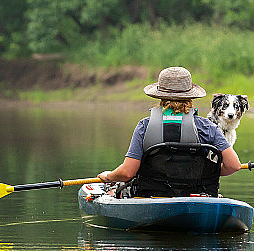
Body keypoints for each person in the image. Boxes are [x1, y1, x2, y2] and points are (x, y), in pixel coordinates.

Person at [98, 66, 243, 197]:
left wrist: (109, 176)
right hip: (195, 195)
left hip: (152, 195)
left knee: (114, 191)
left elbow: (127, 173)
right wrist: (208, 172)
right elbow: (234, 165)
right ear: (191, 97)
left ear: (160, 96)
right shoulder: (208, 127)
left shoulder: (144, 126)